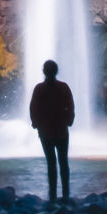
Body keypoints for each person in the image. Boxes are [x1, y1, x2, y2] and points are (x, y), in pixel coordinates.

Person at [29, 59, 75, 202]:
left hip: (46, 131)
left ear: (44, 71)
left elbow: (33, 108)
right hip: (61, 129)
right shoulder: (63, 87)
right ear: (56, 71)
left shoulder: (39, 89)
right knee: (63, 162)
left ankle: (52, 196)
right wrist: (69, 121)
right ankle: (66, 194)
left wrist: (36, 124)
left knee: (51, 162)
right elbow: (70, 106)